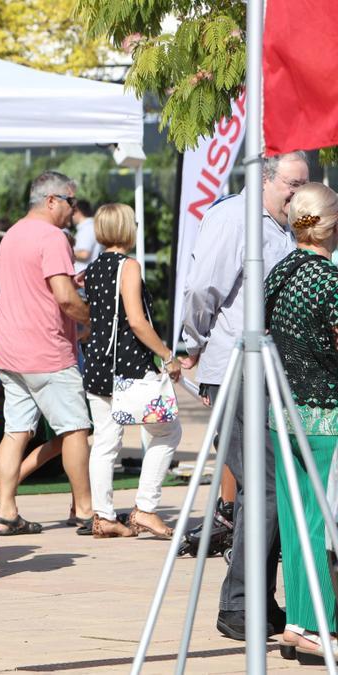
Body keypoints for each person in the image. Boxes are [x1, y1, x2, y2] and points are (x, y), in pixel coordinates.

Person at [181, 150, 308, 640]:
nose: (297, 195)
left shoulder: (282, 226)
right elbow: (202, 289)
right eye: (291, 186)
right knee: (266, 488)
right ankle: (239, 604)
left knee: (278, 489)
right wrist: (190, 344)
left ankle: (258, 600)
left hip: (273, 371)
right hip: (236, 368)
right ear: (265, 179)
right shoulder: (235, 217)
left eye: (303, 186)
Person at [0, 171, 93, 537]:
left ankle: (6, 511)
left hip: (9, 348)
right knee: (75, 428)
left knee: (15, 431)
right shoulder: (52, 237)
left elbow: (34, 284)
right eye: (71, 202)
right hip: (47, 349)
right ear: (51, 200)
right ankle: (84, 510)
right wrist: (89, 318)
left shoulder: (12, 234)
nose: (73, 210)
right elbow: (65, 297)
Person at [263, 183, 338, 664]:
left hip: (283, 409)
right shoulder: (324, 278)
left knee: (295, 518)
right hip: (322, 413)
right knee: (318, 520)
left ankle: (297, 619)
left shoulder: (280, 270)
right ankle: (315, 624)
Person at [81, 204, 182, 538]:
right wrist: (167, 355)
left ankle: (103, 515)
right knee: (167, 430)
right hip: (128, 367)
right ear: (127, 228)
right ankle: (145, 508)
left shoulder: (93, 268)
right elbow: (137, 321)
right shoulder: (129, 266)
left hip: (98, 364)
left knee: (106, 442)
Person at [72, 201, 102, 276]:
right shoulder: (89, 227)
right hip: (87, 275)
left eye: (72, 211)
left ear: (77, 211)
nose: (70, 215)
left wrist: (66, 251)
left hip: (84, 277)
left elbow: (84, 254)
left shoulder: (87, 228)